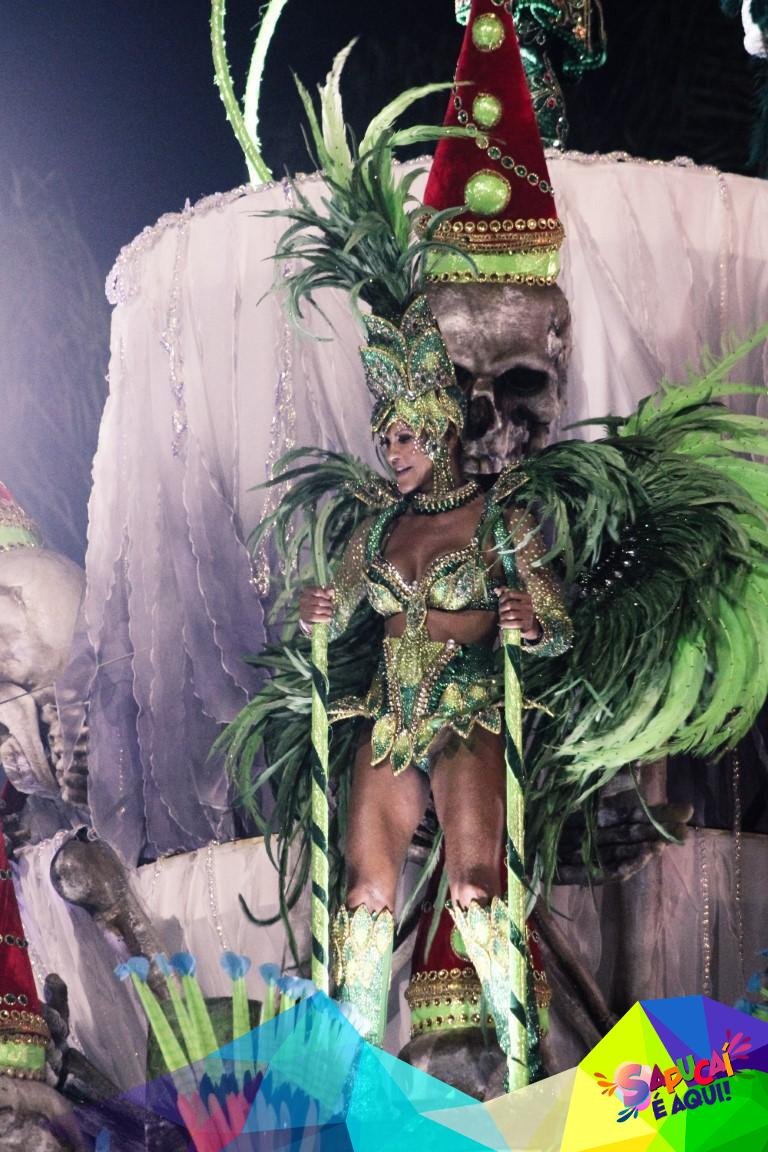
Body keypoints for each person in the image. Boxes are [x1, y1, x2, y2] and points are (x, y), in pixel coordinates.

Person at [295, 313, 572, 1051]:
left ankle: (521, 1051)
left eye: (405, 437)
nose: (393, 453)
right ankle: (356, 1074)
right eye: (386, 440)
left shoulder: (500, 519)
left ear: (443, 432)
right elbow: (338, 610)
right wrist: (315, 610)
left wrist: (529, 620)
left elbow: (557, 626)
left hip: (465, 712)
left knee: (475, 887)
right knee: (362, 900)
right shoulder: (376, 531)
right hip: (390, 718)